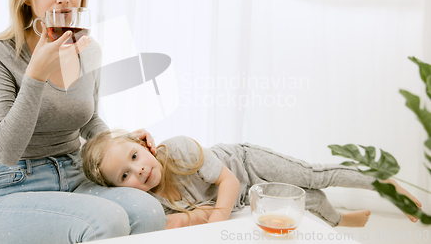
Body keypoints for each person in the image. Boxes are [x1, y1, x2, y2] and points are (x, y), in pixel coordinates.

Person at [0, 0, 166, 244]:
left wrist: (121, 140)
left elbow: (87, 121)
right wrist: (36, 75)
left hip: (74, 174)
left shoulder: (88, 50)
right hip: (11, 184)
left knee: (149, 212)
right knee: (107, 221)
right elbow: (5, 150)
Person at [81, 130, 423, 229]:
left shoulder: (180, 150)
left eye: (135, 157)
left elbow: (227, 183)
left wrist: (216, 218)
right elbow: (189, 216)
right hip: (246, 197)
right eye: (125, 175)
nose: (138, 170)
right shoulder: (151, 202)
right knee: (306, 199)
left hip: (245, 166)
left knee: (313, 176)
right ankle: (342, 219)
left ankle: (384, 184)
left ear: (145, 145)